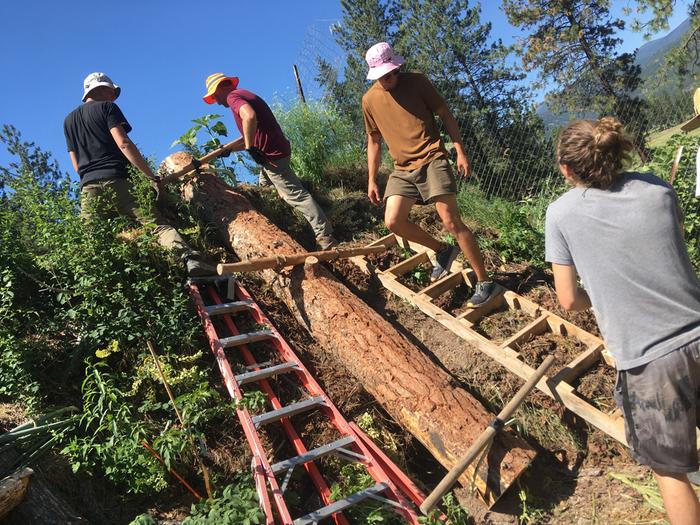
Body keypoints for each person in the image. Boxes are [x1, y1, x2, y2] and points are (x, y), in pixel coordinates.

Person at [545, 117, 700, 525]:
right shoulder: (657, 188)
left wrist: (604, 292)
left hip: (651, 362)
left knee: (670, 471)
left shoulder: (561, 214)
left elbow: (567, 299)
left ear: (567, 169)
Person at [361, 42, 497, 307]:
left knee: (451, 221)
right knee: (393, 221)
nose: (389, 79)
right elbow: (373, 141)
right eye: (383, 76)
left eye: (392, 73)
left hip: (432, 157)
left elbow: (444, 113)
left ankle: (485, 282)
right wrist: (371, 179)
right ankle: (442, 251)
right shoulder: (369, 101)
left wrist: (459, 149)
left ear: (398, 67)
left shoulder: (418, 82)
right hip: (402, 169)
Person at [64, 72, 213, 276]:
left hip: (88, 186)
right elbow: (123, 143)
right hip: (118, 179)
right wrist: (150, 177)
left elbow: (75, 164)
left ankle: (102, 283)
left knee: (92, 238)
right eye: (112, 92)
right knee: (157, 226)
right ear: (103, 88)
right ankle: (188, 260)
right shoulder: (107, 108)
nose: (114, 96)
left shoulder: (68, 121)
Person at [202, 73, 338, 250]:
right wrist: (228, 149)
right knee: (264, 188)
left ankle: (325, 236)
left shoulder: (233, 96)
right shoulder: (244, 94)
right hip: (273, 153)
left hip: (272, 156)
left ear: (221, 88)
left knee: (295, 195)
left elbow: (249, 117)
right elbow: (249, 133)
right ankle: (283, 224)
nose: (217, 101)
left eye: (215, 96)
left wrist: (250, 148)